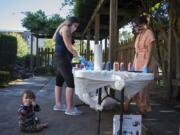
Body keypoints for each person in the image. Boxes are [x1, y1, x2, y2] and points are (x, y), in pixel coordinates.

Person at [124, 15, 157, 114]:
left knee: (143, 88)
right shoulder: (139, 35)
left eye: (136, 26)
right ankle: (132, 105)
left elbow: (150, 52)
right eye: (134, 26)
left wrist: (145, 66)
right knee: (134, 84)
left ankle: (142, 109)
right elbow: (137, 51)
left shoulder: (149, 33)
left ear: (142, 24)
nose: (135, 28)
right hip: (138, 62)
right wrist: (134, 64)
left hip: (146, 62)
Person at [52, 16, 82, 115]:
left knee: (59, 81)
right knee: (70, 82)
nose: (76, 28)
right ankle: (69, 109)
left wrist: (75, 52)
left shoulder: (65, 29)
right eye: (75, 25)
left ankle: (58, 105)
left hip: (60, 58)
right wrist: (78, 55)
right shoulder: (65, 29)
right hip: (62, 59)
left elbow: (69, 45)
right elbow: (68, 46)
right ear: (70, 23)